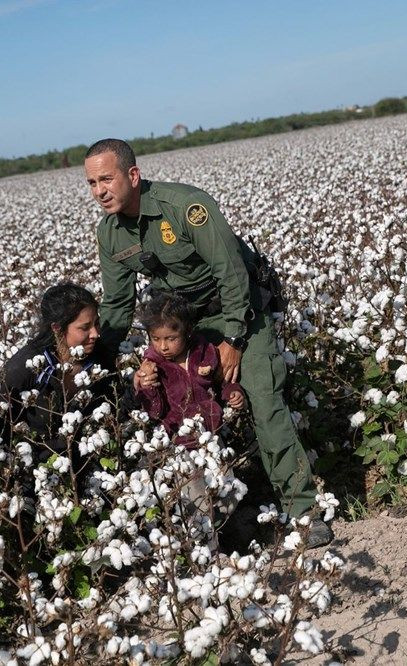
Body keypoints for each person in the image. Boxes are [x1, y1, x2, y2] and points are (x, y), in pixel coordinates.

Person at [83, 138, 333, 547]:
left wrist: (233, 338)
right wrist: (96, 362)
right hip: (181, 330)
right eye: (92, 183)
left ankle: (303, 513)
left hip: (237, 313)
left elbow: (233, 272)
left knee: (263, 402)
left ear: (132, 174)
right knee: (175, 420)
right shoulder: (110, 234)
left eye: (106, 179)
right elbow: (116, 305)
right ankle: (207, 530)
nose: (100, 191)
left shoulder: (186, 207)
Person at [0, 282, 115, 467]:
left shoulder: (100, 359)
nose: (95, 333)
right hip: (33, 466)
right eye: (85, 327)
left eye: (96, 323)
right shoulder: (25, 367)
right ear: (57, 328)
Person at [135, 290, 247, 446]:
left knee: (221, 470)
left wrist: (233, 392)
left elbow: (222, 382)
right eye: (156, 339)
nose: (163, 346)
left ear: (187, 331)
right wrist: (148, 387)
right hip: (175, 437)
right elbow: (155, 412)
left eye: (171, 338)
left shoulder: (205, 353)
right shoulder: (154, 367)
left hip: (211, 434)